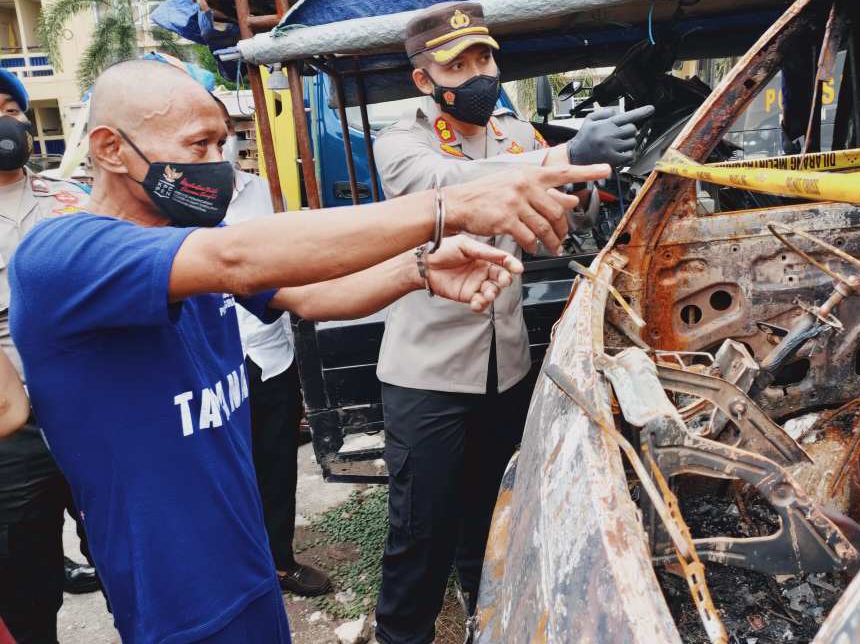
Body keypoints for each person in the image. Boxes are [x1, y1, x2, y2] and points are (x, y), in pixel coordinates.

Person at [9, 59, 608, 644]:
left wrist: (420, 269)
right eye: (198, 146)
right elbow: (237, 259)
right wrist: (451, 207)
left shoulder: (189, 245)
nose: (219, 164)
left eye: (222, 143)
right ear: (111, 149)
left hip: (244, 557)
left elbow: (314, 297)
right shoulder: (64, 255)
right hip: (176, 590)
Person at [372, 1, 653, 644]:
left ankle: (485, 621)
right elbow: (450, 189)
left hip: (506, 367)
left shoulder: (516, 136)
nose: (479, 74)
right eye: (459, 66)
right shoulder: (403, 143)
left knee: (494, 514)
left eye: (485, 58)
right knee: (420, 533)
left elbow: (567, 217)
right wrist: (564, 155)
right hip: (429, 376)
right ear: (423, 79)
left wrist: (590, 178)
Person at [0, 69, 100, 644]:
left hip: (89, 409)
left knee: (120, 549)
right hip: (11, 430)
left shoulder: (75, 201)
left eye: (10, 109)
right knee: (23, 579)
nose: (3, 123)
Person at [217, 98, 330, 596]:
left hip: (269, 353)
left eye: (222, 132)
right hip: (213, 364)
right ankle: (232, 571)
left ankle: (279, 563)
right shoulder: (167, 210)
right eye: (200, 138)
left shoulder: (264, 192)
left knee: (277, 464)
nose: (218, 146)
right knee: (223, 474)